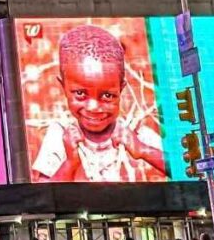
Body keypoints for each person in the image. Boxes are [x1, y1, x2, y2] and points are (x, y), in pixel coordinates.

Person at [31, 25, 167, 182]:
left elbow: (186, 171)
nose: (94, 108)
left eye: (107, 96)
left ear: (121, 89)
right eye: (80, 94)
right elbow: (43, 199)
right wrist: (70, 163)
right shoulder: (62, 134)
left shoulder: (131, 130)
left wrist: (143, 150)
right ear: (63, 87)